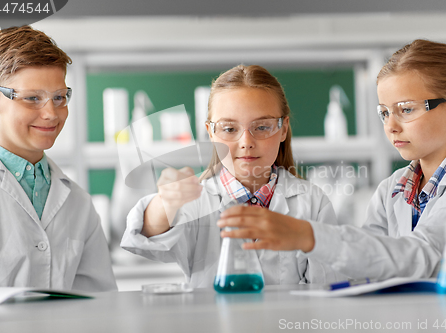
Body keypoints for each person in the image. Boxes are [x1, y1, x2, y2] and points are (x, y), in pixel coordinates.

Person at [218, 39, 446, 280]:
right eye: (384, 112)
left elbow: (423, 254)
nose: (391, 126)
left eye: (406, 109)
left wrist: (309, 236)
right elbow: (366, 263)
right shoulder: (392, 190)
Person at [121, 65, 344, 288]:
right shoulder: (197, 201)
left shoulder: (313, 203)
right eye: (229, 129)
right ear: (210, 133)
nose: (246, 141)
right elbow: (145, 238)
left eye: (262, 127)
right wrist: (165, 202)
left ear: (283, 129)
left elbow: (326, 289)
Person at [0, 26, 117, 291]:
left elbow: (100, 303)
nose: (51, 113)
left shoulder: (78, 202)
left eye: (59, 97)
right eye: (32, 98)